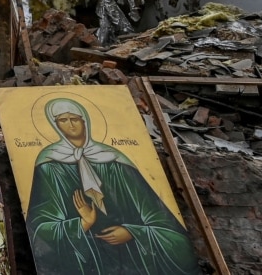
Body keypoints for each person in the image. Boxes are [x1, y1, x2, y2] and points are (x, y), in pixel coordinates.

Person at [26, 98, 200, 275]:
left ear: (84, 121)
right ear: (55, 125)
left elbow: (157, 216)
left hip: (132, 254)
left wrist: (133, 232)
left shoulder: (114, 159)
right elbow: (39, 226)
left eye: (75, 119)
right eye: (63, 120)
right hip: (87, 257)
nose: (70, 125)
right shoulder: (48, 164)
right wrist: (81, 224)